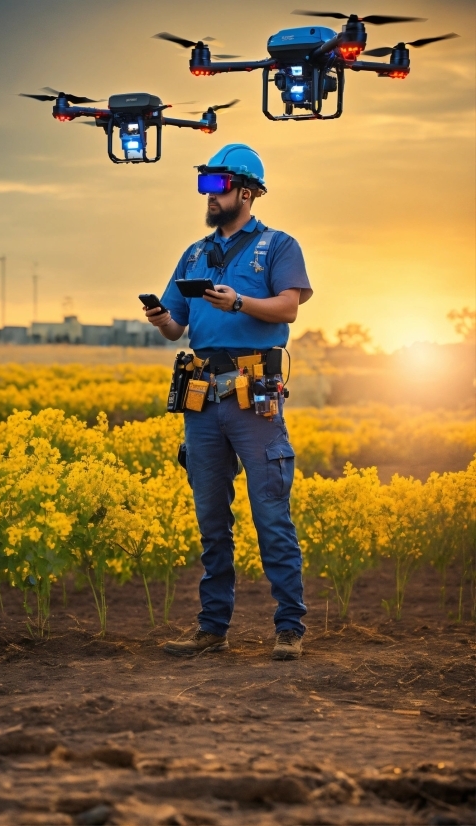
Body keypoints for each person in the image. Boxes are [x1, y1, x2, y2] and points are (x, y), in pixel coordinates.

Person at [143, 144, 313, 660]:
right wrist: (161, 319)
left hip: (254, 391)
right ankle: (211, 629)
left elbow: (288, 307)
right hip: (202, 396)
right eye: (204, 187)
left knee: (270, 513)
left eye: (216, 187)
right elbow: (178, 328)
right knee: (211, 519)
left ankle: (289, 628)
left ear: (245, 191)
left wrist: (238, 301)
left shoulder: (278, 246)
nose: (208, 197)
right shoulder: (193, 254)